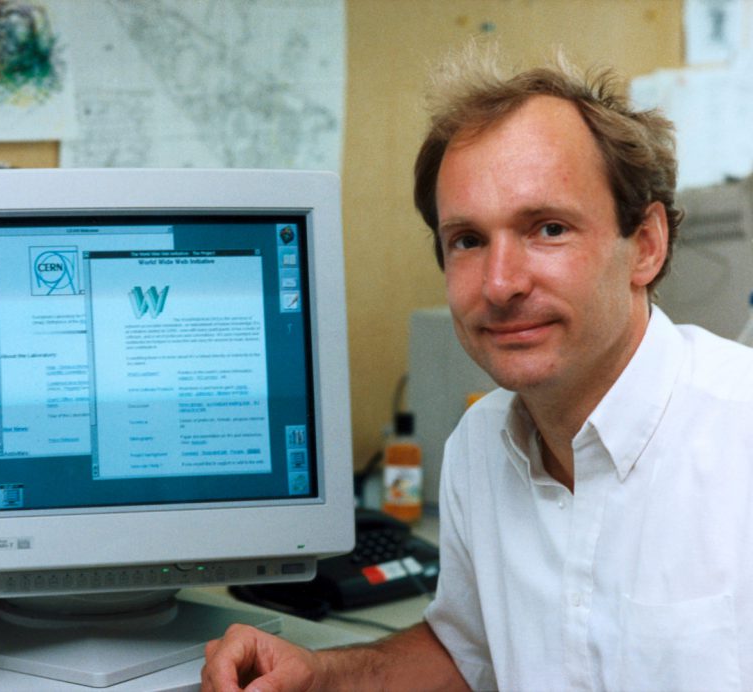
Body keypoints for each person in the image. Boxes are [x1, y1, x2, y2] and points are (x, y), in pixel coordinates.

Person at [202, 47, 753, 691]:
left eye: (547, 228)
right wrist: (321, 676)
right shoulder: (481, 448)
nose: (499, 284)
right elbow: (466, 652)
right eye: (467, 240)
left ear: (647, 245)